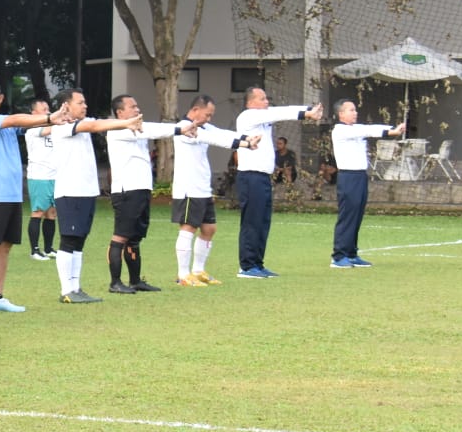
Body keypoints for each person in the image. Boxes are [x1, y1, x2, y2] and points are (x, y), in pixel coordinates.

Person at [0, 80, 68, 316]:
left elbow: (28, 124)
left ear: (1, 98)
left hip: (11, 194)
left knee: (5, 246)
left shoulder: (7, 123)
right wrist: (51, 117)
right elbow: (14, 120)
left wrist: (53, 118)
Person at [35, 87, 141, 304]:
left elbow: (97, 123)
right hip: (70, 192)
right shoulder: (62, 127)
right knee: (69, 240)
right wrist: (125, 123)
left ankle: (76, 288)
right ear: (66, 106)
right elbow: (94, 125)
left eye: (84, 102)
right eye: (80, 102)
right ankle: (67, 290)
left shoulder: (82, 122)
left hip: (86, 192)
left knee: (80, 242)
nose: (85, 106)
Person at [232, 88, 324, 278]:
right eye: (262, 98)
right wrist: (307, 112)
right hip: (250, 177)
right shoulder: (248, 116)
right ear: (250, 102)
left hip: (263, 178)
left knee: (263, 222)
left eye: (267, 98)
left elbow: (281, 111)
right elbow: (279, 112)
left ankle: (257, 263)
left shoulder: (264, 119)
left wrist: (308, 110)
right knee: (252, 221)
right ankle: (247, 266)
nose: (267, 101)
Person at [171, 94, 258, 287]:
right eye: (207, 115)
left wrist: (246, 138)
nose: (209, 119)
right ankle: (183, 275)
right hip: (188, 187)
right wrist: (244, 145)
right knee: (188, 229)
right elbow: (214, 140)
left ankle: (198, 270)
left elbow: (222, 134)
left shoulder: (204, 127)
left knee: (209, 229)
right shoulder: (185, 129)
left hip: (202, 188)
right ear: (195, 111)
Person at [104, 95, 188, 294]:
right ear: (120, 112)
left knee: (134, 238)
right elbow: (152, 130)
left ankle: (135, 280)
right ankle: (115, 282)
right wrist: (179, 129)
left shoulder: (136, 129)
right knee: (120, 237)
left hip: (141, 189)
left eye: (137, 105)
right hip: (127, 190)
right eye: (132, 106)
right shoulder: (117, 128)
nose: (137, 109)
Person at [329, 100, 405, 269]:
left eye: (355, 110)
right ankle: (338, 256)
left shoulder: (356, 129)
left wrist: (391, 130)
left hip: (360, 176)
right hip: (348, 177)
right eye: (351, 110)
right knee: (348, 216)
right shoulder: (340, 130)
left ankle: (351, 253)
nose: (355, 113)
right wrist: (392, 131)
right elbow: (368, 130)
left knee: (357, 215)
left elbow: (367, 129)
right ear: (341, 114)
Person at [24, 99, 58, 260]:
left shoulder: (53, 129)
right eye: (43, 109)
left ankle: (49, 248)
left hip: (54, 176)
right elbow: (46, 131)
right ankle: (34, 250)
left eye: (48, 109)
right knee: (38, 212)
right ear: (34, 114)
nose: (48, 111)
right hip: (39, 177)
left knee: (51, 213)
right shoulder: (33, 130)